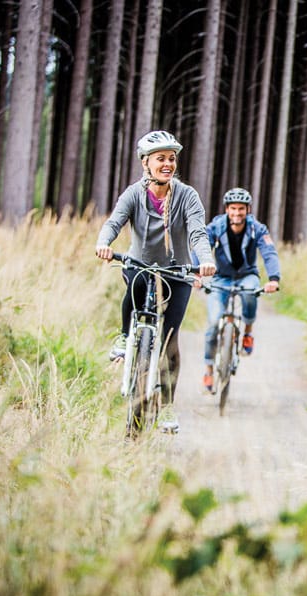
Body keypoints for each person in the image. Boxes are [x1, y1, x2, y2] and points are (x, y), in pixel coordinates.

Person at [95, 130, 216, 433]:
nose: (167, 164)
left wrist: (205, 260)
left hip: (178, 272)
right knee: (135, 280)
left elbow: (198, 233)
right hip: (140, 265)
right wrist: (104, 242)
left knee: (170, 338)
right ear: (145, 163)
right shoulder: (133, 193)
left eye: (171, 159)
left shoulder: (187, 195)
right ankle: (125, 337)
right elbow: (115, 221)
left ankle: (167, 407)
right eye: (160, 158)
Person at [200, 187, 281, 392]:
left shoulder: (257, 228)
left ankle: (247, 331)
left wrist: (273, 278)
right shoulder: (216, 227)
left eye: (241, 209)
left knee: (250, 294)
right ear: (227, 209)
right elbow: (202, 247)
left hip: (247, 276)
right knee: (212, 323)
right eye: (233, 209)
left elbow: (269, 252)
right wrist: (196, 272)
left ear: (248, 210)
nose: (237, 213)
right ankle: (209, 369)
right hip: (220, 278)